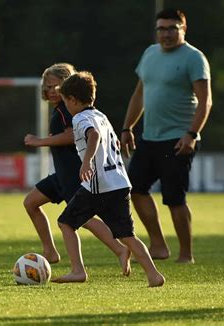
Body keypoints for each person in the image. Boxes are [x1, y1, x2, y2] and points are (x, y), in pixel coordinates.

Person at [53, 71, 165, 287]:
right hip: (120, 183)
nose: (66, 105)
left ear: (73, 100)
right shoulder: (101, 116)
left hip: (98, 185)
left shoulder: (80, 118)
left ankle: (78, 271)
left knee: (66, 223)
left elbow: (93, 135)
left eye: (65, 100)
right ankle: (153, 274)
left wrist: (86, 162)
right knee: (127, 235)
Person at [121, 8, 212, 263]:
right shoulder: (150, 54)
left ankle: (186, 255)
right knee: (135, 189)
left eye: (172, 28)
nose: (166, 34)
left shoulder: (194, 58)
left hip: (179, 139)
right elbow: (139, 94)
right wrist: (127, 128)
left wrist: (192, 134)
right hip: (150, 137)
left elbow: (206, 102)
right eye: (161, 29)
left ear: (184, 29)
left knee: (174, 198)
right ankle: (158, 245)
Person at [23, 63, 131, 276]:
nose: (51, 90)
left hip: (74, 173)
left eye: (56, 86)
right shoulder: (61, 109)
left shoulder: (67, 109)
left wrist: (40, 141)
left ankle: (119, 249)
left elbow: (72, 135)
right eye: (48, 86)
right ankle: (50, 251)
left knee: (83, 219)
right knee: (31, 202)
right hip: (61, 175)